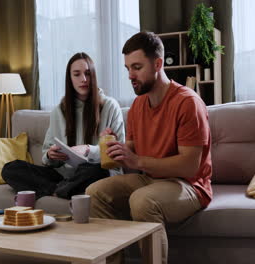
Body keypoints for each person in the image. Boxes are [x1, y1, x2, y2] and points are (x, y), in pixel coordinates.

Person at [85, 32, 212, 264]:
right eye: (127, 69)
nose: (130, 75)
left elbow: (189, 165)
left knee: (142, 201)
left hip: (188, 185)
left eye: (136, 67)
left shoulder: (187, 103)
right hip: (151, 179)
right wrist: (117, 148)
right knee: (94, 192)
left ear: (158, 64)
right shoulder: (138, 105)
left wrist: (138, 161)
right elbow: (132, 153)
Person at [2, 52, 125, 200]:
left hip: (94, 173)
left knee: (97, 171)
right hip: (63, 177)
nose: (83, 79)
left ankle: (57, 190)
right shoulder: (59, 111)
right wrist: (50, 155)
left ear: (93, 76)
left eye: (87, 73)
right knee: (11, 169)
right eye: (77, 74)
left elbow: (119, 152)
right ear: (70, 79)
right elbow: (47, 155)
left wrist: (88, 150)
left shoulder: (110, 106)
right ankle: (60, 190)